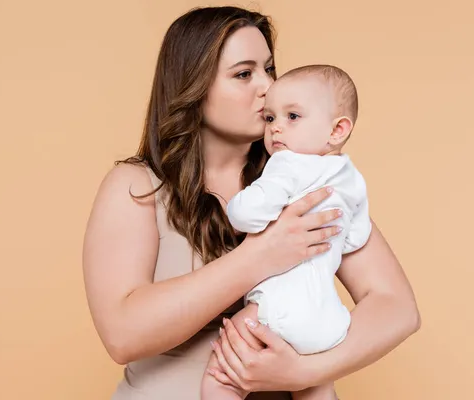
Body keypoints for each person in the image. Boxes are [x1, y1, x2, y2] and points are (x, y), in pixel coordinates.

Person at [82, 6, 420, 400]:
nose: (267, 87)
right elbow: (122, 335)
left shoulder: (304, 176)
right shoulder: (138, 186)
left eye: (269, 69)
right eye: (244, 74)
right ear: (193, 85)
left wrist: (303, 372)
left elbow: (396, 307)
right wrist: (260, 256)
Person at [201, 64, 371, 400]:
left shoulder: (286, 165)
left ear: (337, 130)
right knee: (315, 387)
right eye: (270, 119)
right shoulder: (350, 176)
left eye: (292, 117)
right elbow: (357, 235)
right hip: (329, 321)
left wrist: (236, 205)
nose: (277, 128)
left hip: (276, 311)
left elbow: (248, 216)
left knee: (220, 377)